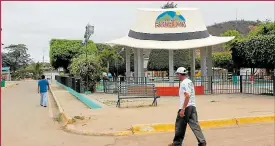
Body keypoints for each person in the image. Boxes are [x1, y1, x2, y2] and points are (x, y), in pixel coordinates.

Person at [169, 67, 206, 146]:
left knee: (180, 125)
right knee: (195, 125)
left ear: (180, 74)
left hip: (186, 107)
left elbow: (187, 96)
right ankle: (202, 141)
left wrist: (183, 109)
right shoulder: (190, 82)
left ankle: (177, 143)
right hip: (193, 106)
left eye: (177, 74)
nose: (177, 76)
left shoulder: (183, 83)